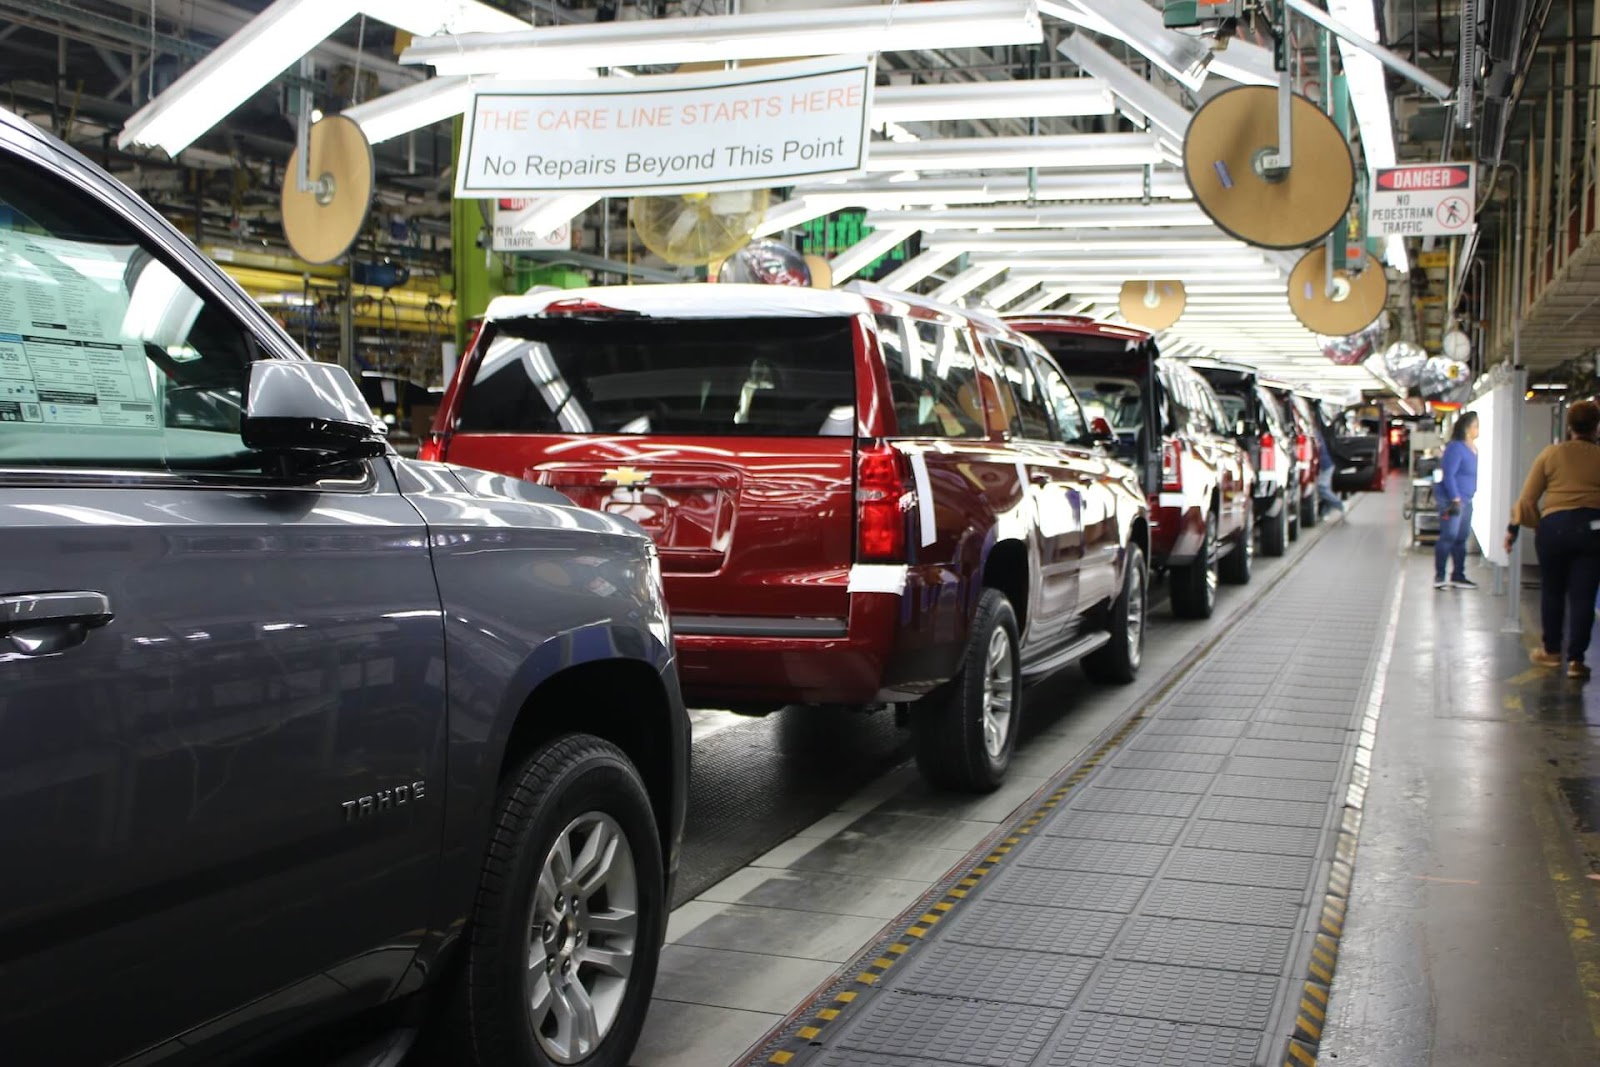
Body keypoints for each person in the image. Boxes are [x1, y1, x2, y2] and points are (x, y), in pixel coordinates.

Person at [1504, 399, 1600, 680]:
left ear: (1569, 426)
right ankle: (1576, 661)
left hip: (1554, 528)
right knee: (1583, 596)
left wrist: (1520, 528)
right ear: (1596, 427)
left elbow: (1528, 498)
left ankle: (1551, 651)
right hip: (1593, 529)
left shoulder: (1551, 454)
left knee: (1553, 590)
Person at [1434, 411, 1480, 590]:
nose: (1478, 429)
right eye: (1475, 425)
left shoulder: (1473, 448)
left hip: (1467, 500)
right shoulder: (1455, 447)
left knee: (1462, 537)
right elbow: (1449, 474)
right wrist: (1455, 497)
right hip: (1453, 501)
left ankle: (1458, 575)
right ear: (1467, 428)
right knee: (1449, 535)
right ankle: (1440, 575)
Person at [1315, 422, 1346, 520]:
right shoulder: (1317, 433)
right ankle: (1325, 512)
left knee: (1322, 488)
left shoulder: (1315, 435)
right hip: (1328, 464)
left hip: (1326, 465)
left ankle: (1340, 505)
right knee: (1326, 488)